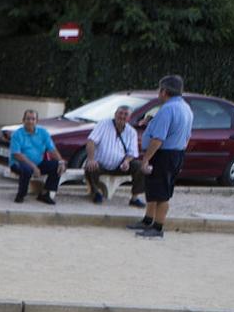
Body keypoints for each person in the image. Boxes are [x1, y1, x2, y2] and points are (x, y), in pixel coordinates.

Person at [129, 75, 194, 239]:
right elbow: (187, 136)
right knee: (154, 189)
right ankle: (148, 220)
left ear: (164, 91)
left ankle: (157, 227)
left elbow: (158, 139)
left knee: (161, 192)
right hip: (176, 153)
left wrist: (146, 159)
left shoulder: (167, 109)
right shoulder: (186, 108)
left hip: (164, 154)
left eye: (159, 90)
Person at [83, 105, 146, 207]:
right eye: (120, 113)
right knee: (90, 166)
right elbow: (91, 141)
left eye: (125, 114)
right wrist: (91, 159)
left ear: (129, 118)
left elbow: (132, 153)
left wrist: (126, 161)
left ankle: (134, 198)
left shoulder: (132, 132)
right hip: (101, 164)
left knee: (140, 167)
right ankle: (95, 193)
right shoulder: (103, 124)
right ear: (115, 114)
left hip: (120, 166)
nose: (122, 116)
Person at [9, 109, 65, 205]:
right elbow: (17, 155)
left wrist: (61, 161)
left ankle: (45, 194)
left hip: (38, 163)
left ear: (37, 121)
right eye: (28, 119)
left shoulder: (43, 132)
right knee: (27, 170)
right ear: (23, 120)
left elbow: (52, 149)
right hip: (19, 163)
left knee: (56, 166)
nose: (30, 121)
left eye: (33, 119)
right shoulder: (17, 134)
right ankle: (21, 194)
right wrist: (34, 167)